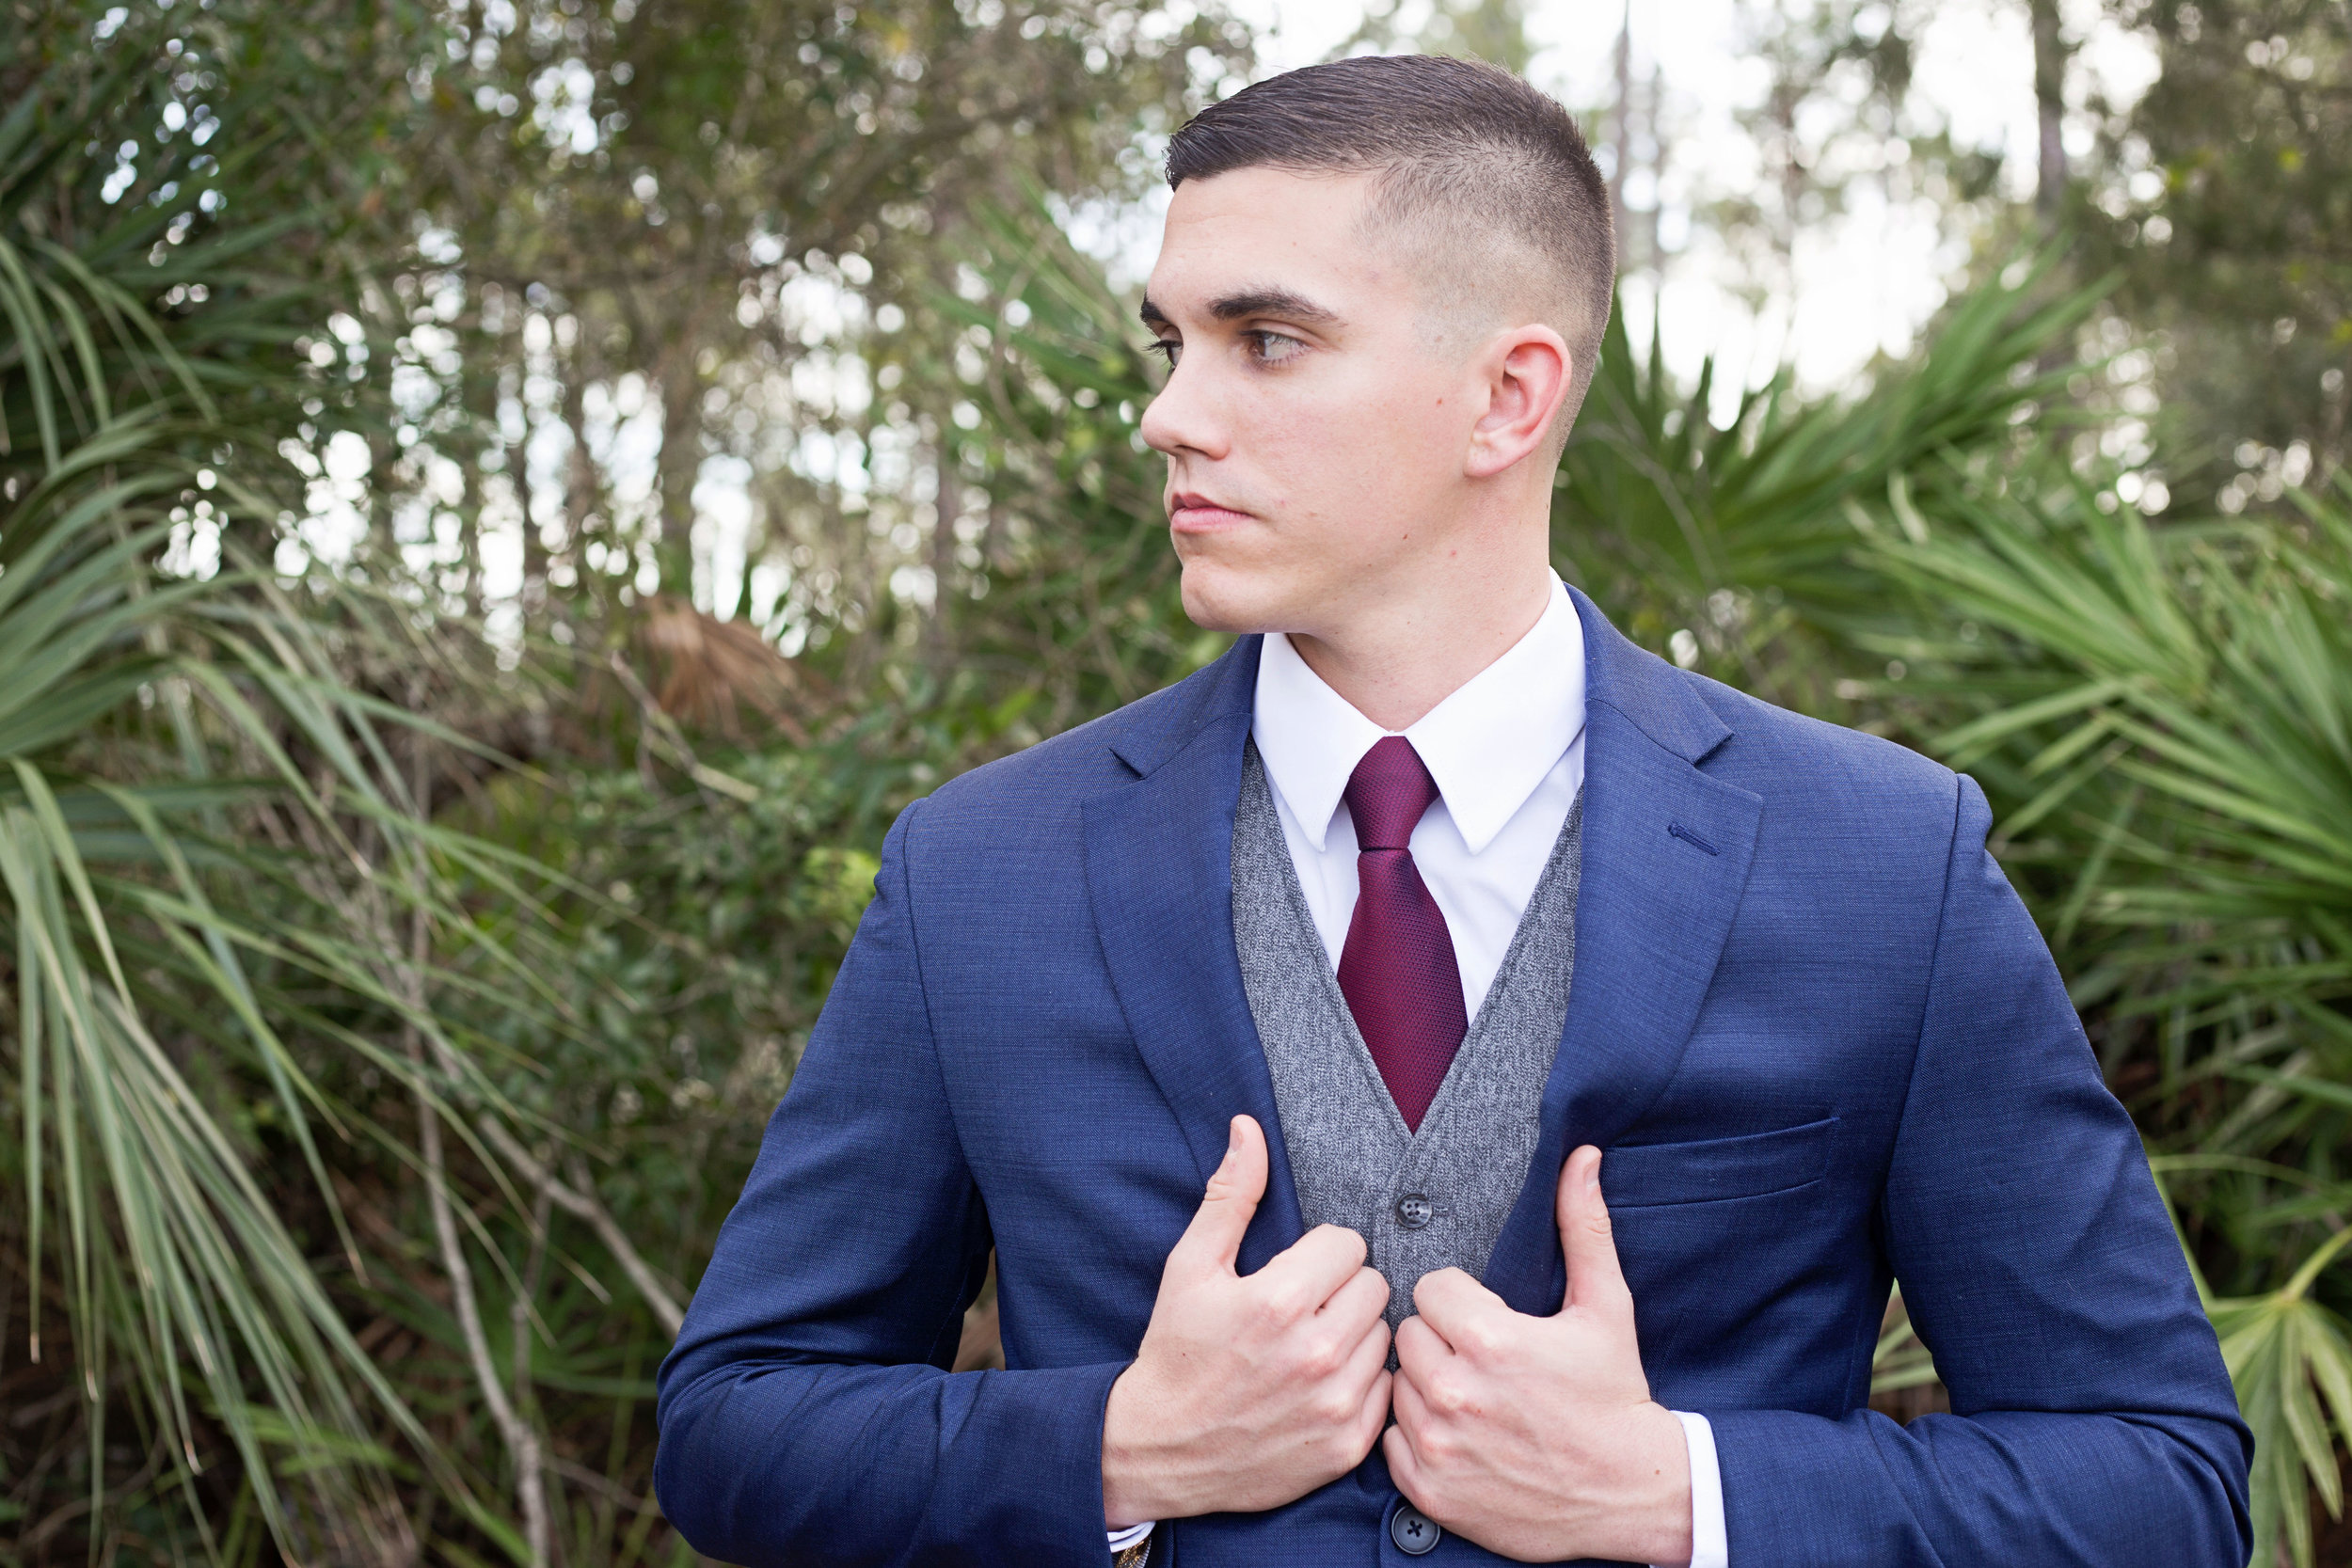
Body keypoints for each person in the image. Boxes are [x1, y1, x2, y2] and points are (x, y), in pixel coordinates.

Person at [652, 55, 2250, 1567]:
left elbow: (2161, 1480)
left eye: (1266, 341)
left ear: (1508, 397)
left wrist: (1677, 1492)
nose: (1171, 415)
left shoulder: (1883, 864)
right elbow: (738, 1425)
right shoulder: (981, 873)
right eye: (1173, 342)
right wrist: (1118, 1452)